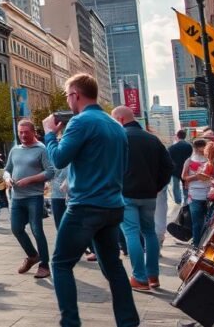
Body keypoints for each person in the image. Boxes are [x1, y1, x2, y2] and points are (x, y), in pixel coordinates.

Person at [43, 73, 139, 327]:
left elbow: (59, 159)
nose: (68, 100)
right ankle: (129, 322)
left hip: (85, 206)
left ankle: (70, 322)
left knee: (60, 264)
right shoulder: (115, 125)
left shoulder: (80, 122)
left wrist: (50, 134)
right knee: (113, 267)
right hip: (112, 206)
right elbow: (124, 167)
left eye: (67, 96)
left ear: (75, 94)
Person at [111, 106, 173, 291]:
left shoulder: (118, 138)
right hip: (149, 194)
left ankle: (139, 277)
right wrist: (157, 186)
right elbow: (169, 166)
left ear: (120, 120)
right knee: (149, 233)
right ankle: (153, 276)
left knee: (131, 233)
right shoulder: (152, 139)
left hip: (126, 194)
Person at [6, 119, 55, 279]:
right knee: (16, 228)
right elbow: (7, 170)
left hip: (34, 196)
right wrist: (7, 179)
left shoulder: (41, 149)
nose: (23, 135)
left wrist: (30, 179)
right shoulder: (15, 150)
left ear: (34, 132)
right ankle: (33, 256)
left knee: (36, 230)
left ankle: (44, 265)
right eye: (20, 132)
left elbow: (50, 172)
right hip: (17, 197)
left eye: (26, 132)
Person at [182, 138, 214, 248]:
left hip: (209, 194)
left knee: (209, 222)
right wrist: (196, 176)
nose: (204, 149)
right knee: (197, 222)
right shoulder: (189, 160)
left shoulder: (210, 160)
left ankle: (205, 244)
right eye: (203, 147)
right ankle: (196, 244)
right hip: (194, 195)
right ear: (196, 148)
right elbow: (184, 177)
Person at [168, 129, 192, 206]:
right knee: (186, 186)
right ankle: (186, 202)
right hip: (186, 170)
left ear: (177, 136)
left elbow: (168, 160)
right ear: (185, 136)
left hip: (175, 171)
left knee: (176, 186)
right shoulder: (189, 146)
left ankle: (177, 202)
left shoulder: (171, 148)